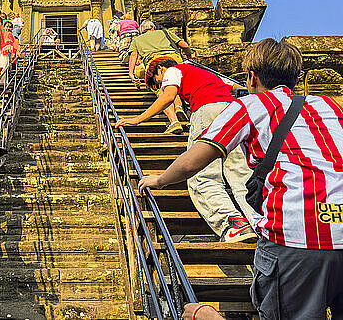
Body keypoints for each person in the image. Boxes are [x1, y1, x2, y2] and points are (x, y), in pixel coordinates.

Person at [138, 38, 343, 318]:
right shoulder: (331, 106)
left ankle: (230, 236)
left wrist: (160, 180)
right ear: (297, 78)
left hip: (296, 236)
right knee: (239, 175)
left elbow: (191, 164)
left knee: (207, 179)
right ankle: (250, 221)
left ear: (252, 77)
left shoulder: (251, 105)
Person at [116, 57, 256, 242]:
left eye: (158, 82)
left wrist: (137, 119)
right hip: (233, 111)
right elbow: (234, 87)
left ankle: (233, 223)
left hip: (206, 111)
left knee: (202, 176)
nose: (160, 86)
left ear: (160, 69)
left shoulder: (173, 70)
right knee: (240, 174)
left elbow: (168, 97)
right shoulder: (204, 72)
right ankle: (258, 222)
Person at [128, 20, 192, 134]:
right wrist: (188, 57)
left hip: (155, 64)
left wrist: (131, 73)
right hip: (174, 60)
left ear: (141, 31)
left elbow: (133, 55)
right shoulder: (164, 33)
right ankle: (179, 107)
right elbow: (184, 45)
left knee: (163, 90)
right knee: (173, 85)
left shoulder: (137, 40)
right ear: (153, 28)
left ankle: (174, 122)